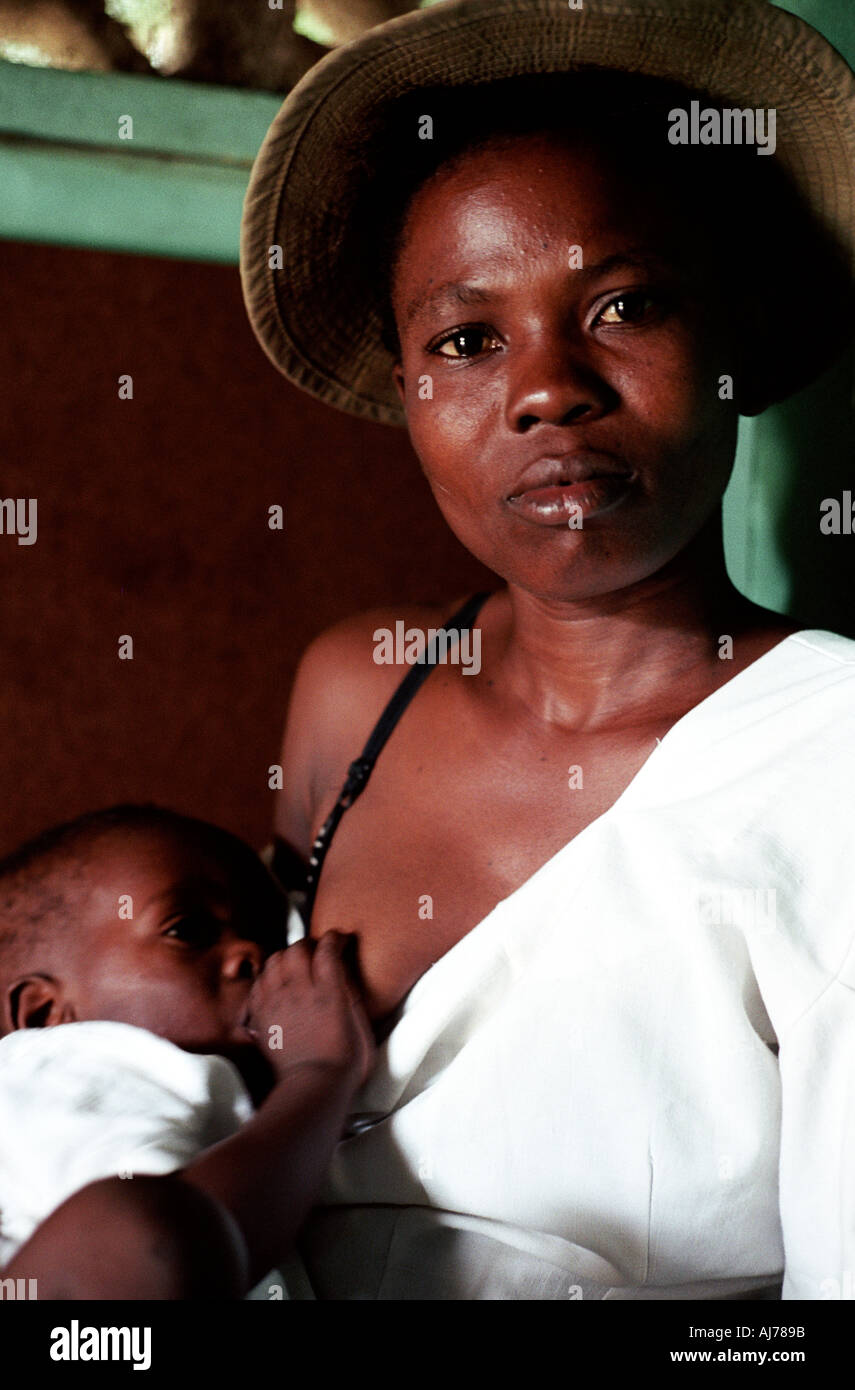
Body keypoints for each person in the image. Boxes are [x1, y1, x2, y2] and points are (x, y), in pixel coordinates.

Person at [238, 0, 855, 1299]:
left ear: (728, 339)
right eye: (465, 339)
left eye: (624, 303)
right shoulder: (358, 690)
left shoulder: (828, 754)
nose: (544, 387)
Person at [0, 804, 374, 1299]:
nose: (250, 954)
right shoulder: (64, 1064)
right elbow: (162, 1247)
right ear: (45, 1013)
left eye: (268, 938)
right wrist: (320, 1073)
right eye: (187, 930)